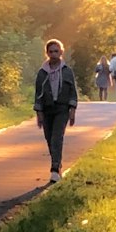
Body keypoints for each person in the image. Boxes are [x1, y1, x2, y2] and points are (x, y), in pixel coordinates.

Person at [34, 38, 78, 183]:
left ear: (61, 52)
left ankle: (54, 168)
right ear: (47, 53)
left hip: (62, 108)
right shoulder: (42, 72)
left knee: (57, 137)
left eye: (56, 51)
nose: (54, 54)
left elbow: (72, 91)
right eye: (51, 51)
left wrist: (72, 110)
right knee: (49, 138)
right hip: (47, 109)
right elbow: (38, 94)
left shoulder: (67, 71)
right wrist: (39, 113)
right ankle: (57, 164)